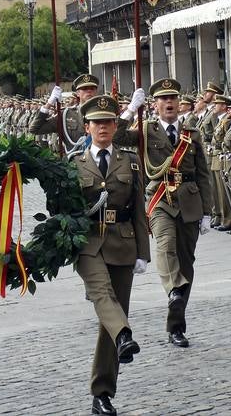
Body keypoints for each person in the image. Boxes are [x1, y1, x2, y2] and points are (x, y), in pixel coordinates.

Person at [116, 78, 212, 348]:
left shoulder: (191, 133)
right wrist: (130, 111)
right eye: (163, 99)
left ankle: (176, 326)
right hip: (160, 200)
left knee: (186, 264)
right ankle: (173, 289)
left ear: (179, 103)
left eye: (173, 98)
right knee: (165, 245)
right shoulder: (145, 130)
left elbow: (203, 174)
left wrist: (208, 211)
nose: (169, 103)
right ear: (155, 104)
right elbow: (116, 136)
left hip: (190, 202)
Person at [73, 94, 149, 416]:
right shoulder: (74, 165)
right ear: (87, 127)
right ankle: (126, 333)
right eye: (96, 122)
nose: (102, 127)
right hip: (89, 243)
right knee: (104, 296)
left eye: (108, 122)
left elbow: (139, 210)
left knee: (110, 318)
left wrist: (143, 253)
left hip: (123, 242)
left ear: (115, 126)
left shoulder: (130, 161)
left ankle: (102, 393)